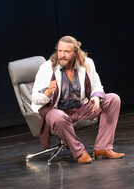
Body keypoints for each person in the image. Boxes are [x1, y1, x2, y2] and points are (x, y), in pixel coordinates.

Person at [31, 35, 124, 164]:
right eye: (60, 51)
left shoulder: (86, 63)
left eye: (67, 52)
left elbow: (97, 85)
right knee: (57, 116)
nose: (62, 55)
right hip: (57, 111)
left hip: (80, 108)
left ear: (75, 53)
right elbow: (35, 98)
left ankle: (102, 148)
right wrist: (47, 93)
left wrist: (96, 97)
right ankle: (80, 152)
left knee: (113, 99)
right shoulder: (47, 68)